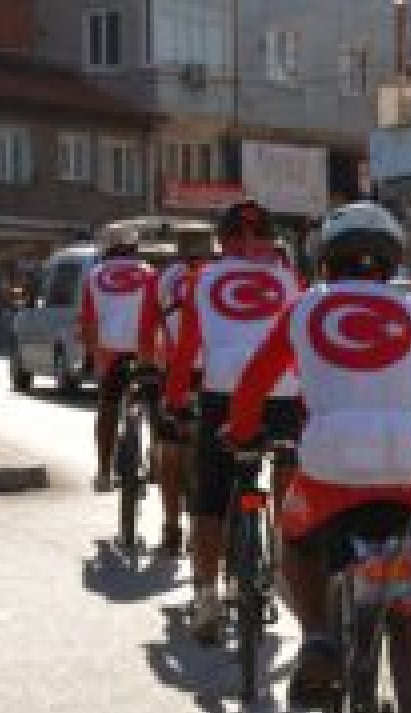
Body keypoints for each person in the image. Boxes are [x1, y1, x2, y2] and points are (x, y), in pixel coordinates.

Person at [225, 201, 411, 709]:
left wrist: (242, 432)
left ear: (326, 258)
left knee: (296, 541)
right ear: (391, 260)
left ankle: (317, 638)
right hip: (407, 461)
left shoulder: (304, 308)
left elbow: (256, 379)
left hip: (329, 461)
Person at [164, 200, 304, 643]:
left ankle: (206, 597)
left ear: (221, 242)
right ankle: (280, 551)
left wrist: (175, 400)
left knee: (210, 496)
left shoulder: (202, 280)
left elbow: (187, 349)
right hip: (281, 393)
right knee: (284, 467)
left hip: (223, 394)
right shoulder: (289, 280)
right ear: (271, 241)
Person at [79, 226, 160, 494]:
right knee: (155, 404)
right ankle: (157, 460)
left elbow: (88, 323)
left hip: (111, 352)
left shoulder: (95, 276)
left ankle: (104, 472)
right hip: (147, 351)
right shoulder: (149, 272)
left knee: (108, 406)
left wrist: (94, 357)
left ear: (106, 250)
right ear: (134, 249)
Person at [148, 254, 204, 557]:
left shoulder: (168, 278)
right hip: (222, 379)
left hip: (177, 370)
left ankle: (172, 530)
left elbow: (152, 324)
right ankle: (205, 531)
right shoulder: (230, 275)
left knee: (170, 452)